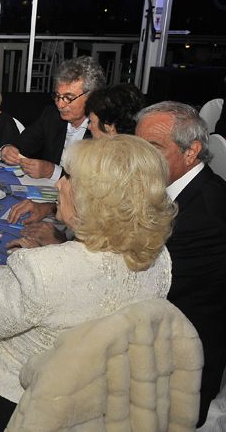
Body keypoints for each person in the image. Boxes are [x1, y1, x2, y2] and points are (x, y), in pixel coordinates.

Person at [0, 135, 176, 431]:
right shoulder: (160, 259)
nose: (59, 185)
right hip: (101, 404)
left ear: (93, 200)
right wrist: (57, 252)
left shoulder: (40, 270)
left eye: (69, 178)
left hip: (18, 403)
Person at [135, 101, 226, 426]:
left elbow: (143, 286)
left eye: (153, 147)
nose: (141, 157)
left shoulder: (206, 215)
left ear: (192, 152)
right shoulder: (168, 189)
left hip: (176, 373)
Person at [7, 81, 144, 226]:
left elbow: (99, 224)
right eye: (58, 97)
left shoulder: (119, 168)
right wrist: (47, 208)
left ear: (110, 127)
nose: (89, 127)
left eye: (91, 121)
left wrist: (58, 237)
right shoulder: (127, 154)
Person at [0, 56, 105, 179]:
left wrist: (53, 172)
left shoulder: (101, 128)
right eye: (57, 96)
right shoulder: (52, 116)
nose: (60, 104)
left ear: (91, 97)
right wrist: (6, 150)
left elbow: (96, 179)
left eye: (68, 98)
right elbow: (22, 144)